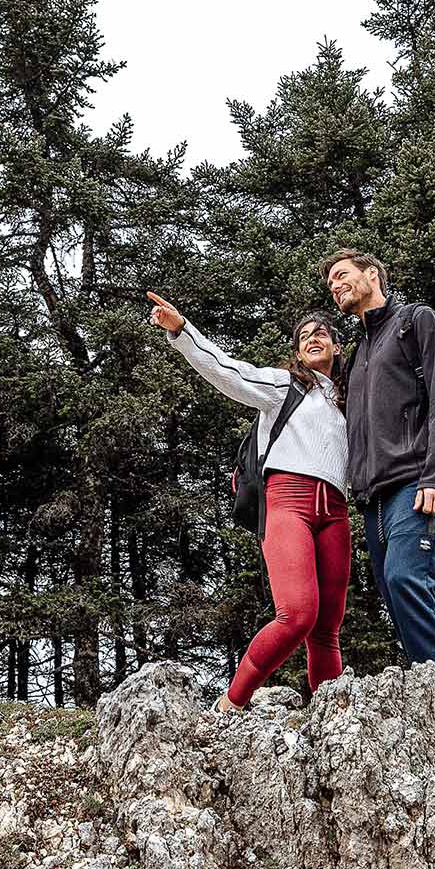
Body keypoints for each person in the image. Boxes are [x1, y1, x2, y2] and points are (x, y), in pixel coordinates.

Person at [146, 290, 351, 714]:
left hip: (336, 511)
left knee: (327, 630)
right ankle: (232, 702)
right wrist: (182, 331)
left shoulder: (351, 399)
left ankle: (329, 721)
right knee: (297, 614)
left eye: (322, 334)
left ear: (336, 344)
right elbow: (228, 371)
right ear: (296, 350)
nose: (313, 339)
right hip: (288, 502)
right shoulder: (285, 386)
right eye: (304, 336)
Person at [319, 249, 435, 731]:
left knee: (411, 582)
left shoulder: (416, 321)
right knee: (399, 597)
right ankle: (434, 720)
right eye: (330, 282)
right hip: (374, 499)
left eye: (342, 275)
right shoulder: (360, 352)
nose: (335, 285)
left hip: (417, 483)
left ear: (372, 274)